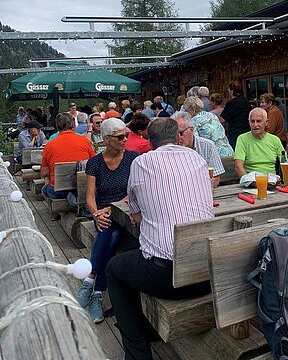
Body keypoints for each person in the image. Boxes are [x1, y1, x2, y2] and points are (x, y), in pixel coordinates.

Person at [106, 118, 214, 359]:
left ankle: (137, 354)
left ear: (148, 141)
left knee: (114, 269)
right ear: (177, 137)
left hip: (169, 279)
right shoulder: (196, 158)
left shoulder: (142, 162)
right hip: (207, 272)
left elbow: (136, 214)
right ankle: (148, 329)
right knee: (137, 259)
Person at [76, 118, 138, 323]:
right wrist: (96, 213)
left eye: (126, 135)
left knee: (111, 231)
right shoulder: (95, 162)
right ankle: (98, 293)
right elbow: (89, 197)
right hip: (103, 214)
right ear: (106, 139)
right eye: (120, 137)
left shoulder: (133, 159)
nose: (125, 140)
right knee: (110, 234)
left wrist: (112, 208)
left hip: (124, 210)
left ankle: (90, 279)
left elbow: (134, 192)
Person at [41, 113, 95, 200]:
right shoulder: (84, 141)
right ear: (73, 125)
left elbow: (44, 173)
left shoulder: (49, 145)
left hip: (58, 190)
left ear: (57, 127)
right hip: (81, 187)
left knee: (44, 189)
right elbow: (93, 162)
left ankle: (56, 211)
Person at [171, 111, 224, 187]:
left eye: (181, 133)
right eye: (174, 134)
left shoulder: (208, 146)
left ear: (191, 130)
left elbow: (215, 178)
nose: (178, 137)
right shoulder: (171, 149)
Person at [234, 108, 284, 178]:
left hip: (271, 181)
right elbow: (238, 166)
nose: (255, 124)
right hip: (251, 180)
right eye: (252, 121)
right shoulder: (242, 139)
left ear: (266, 122)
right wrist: (248, 181)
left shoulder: (275, 140)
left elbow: (285, 162)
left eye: (258, 121)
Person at [219, 80, 251, 148]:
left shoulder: (231, 103)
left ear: (232, 91)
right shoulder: (246, 101)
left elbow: (222, 120)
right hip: (247, 131)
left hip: (235, 132)